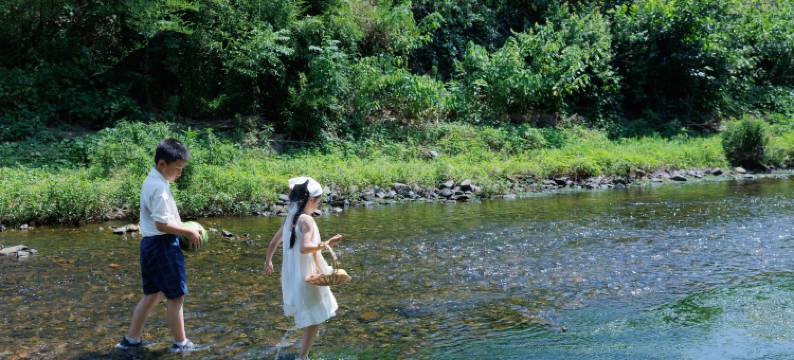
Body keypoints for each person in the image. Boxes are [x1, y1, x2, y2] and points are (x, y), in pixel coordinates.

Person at [115, 138, 207, 353]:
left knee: (152, 294)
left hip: (150, 246)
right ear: (162, 164)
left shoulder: (153, 180)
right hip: (163, 246)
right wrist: (188, 231)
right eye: (178, 169)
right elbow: (162, 224)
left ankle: (131, 339)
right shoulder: (159, 188)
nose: (180, 174)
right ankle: (181, 343)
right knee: (176, 296)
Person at [264, 176, 343, 360]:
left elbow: (273, 243)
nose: (318, 205)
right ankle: (303, 357)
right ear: (312, 200)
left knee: (312, 315)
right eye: (318, 201)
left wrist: (268, 261)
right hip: (308, 276)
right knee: (316, 318)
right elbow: (304, 248)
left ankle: (302, 354)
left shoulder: (290, 219)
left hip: (294, 276)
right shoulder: (306, 220)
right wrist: (328, 243)